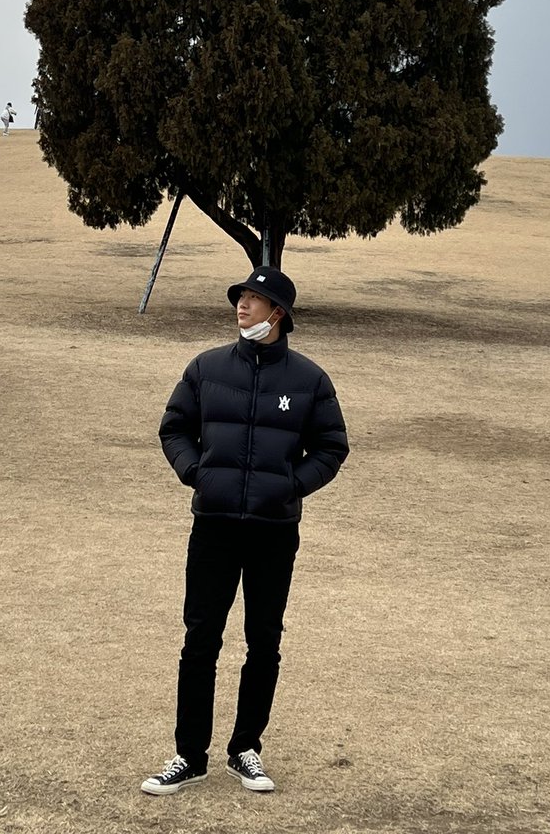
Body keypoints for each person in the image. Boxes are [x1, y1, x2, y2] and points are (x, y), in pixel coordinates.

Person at [141, 267, 349, 796]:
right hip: (213, 527)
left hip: (274, 531)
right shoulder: (206, 368)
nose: (242, 307)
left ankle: (245, 749)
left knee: (264, 641)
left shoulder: (310, 381)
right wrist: (197, 473)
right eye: (241, 298)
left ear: (278, 314)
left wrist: (289, 487)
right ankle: (190, 755)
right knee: (200, 640)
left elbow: (332, 447)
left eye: (255, 300)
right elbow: (174, 427)